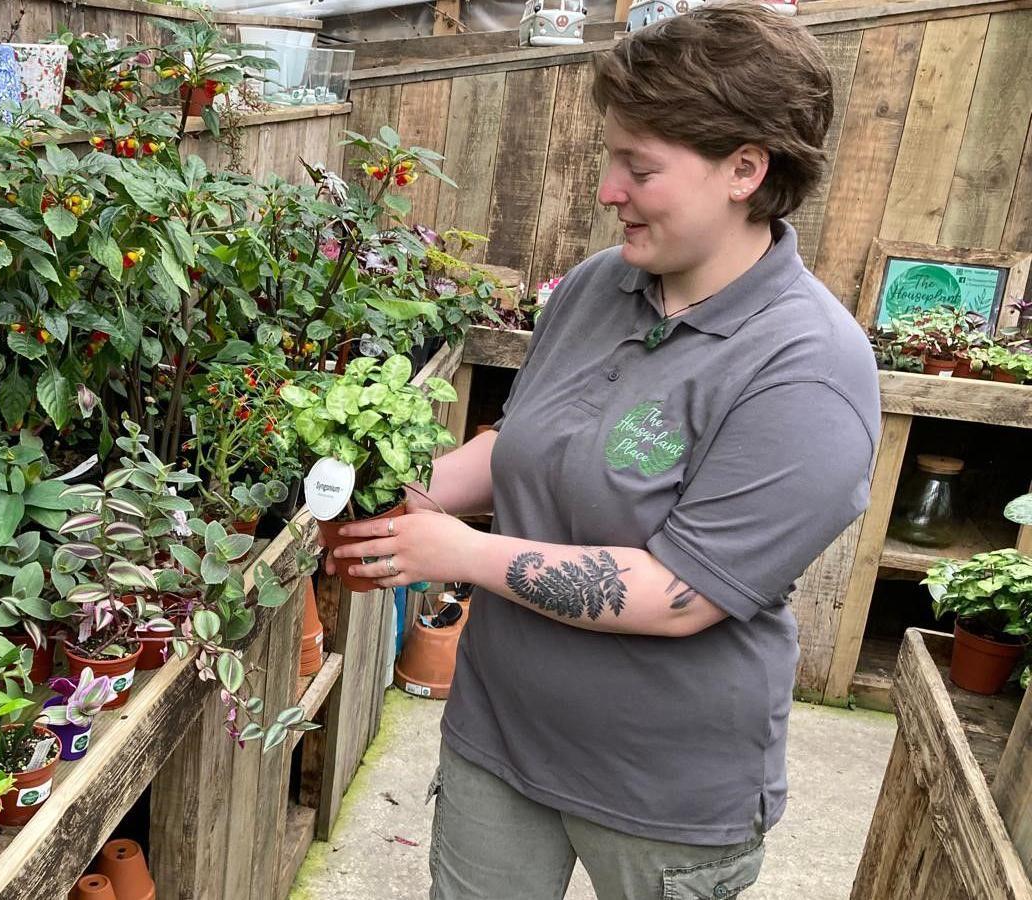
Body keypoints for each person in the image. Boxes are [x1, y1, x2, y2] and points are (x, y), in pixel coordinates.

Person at [329, 5, 880, 898]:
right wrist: (401, 501)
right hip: (500, 741)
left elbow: (681, 595)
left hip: (660, 791)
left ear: (747, 169)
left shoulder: (808, 370)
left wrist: (457, 552)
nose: (607, 190)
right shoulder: (600, 284)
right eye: (609, 157)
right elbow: (528, 441)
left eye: (641, 166)